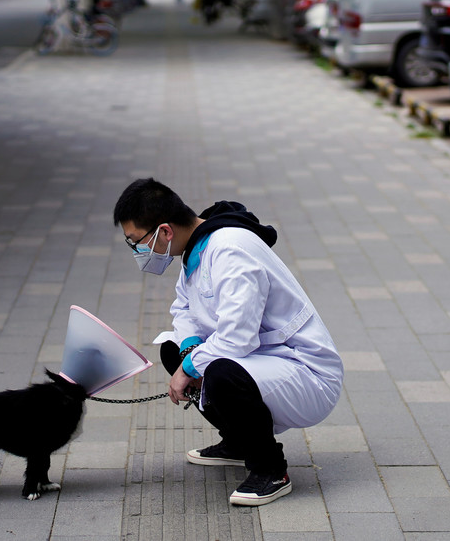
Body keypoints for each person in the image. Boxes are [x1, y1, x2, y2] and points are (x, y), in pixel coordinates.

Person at [113, 178, 345, 506]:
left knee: (219, 372)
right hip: (263, 357)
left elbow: (237, 339)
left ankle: (271, 470)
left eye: (137, 242)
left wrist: (190, 367)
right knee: (173, 349)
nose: (137, 251)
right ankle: (239, 442)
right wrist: (189, 352)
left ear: (165, 231)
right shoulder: (198, 246)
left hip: (304, 369)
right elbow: (183, 308)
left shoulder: (230, 249)